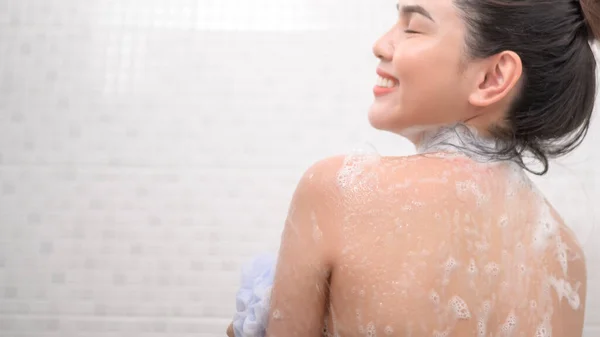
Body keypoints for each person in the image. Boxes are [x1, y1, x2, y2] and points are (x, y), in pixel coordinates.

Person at [227, 0, 599, 336]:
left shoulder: (339, 192)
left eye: (413, 27)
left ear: (493, 77)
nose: (381, 44)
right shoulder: (566, 260)